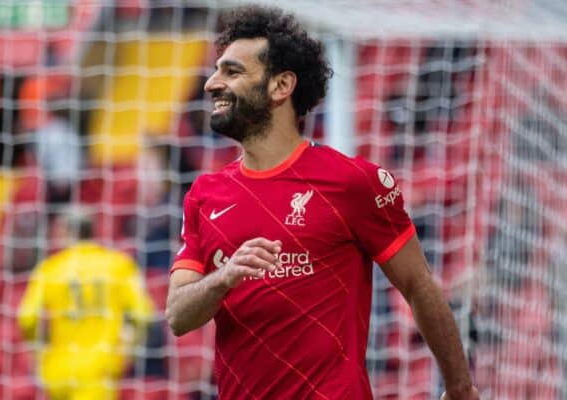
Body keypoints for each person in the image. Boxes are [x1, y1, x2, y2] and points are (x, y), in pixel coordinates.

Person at [165, 5, 479, 400]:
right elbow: (178, 315)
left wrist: (460, 387)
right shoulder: (205, 194)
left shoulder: (353, 182)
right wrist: (224, 278)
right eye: (216, 70)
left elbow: (418, 285)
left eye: (232, 71)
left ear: (281, 86)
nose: (211, 84)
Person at [17, 206, 154, 400]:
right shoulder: (118, 265)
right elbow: (143, 315)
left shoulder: (50, 269)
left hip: (59, 370)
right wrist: (129, 352)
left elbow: (27, 318)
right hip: (100, 367)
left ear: (64, 231)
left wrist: (39, 353)